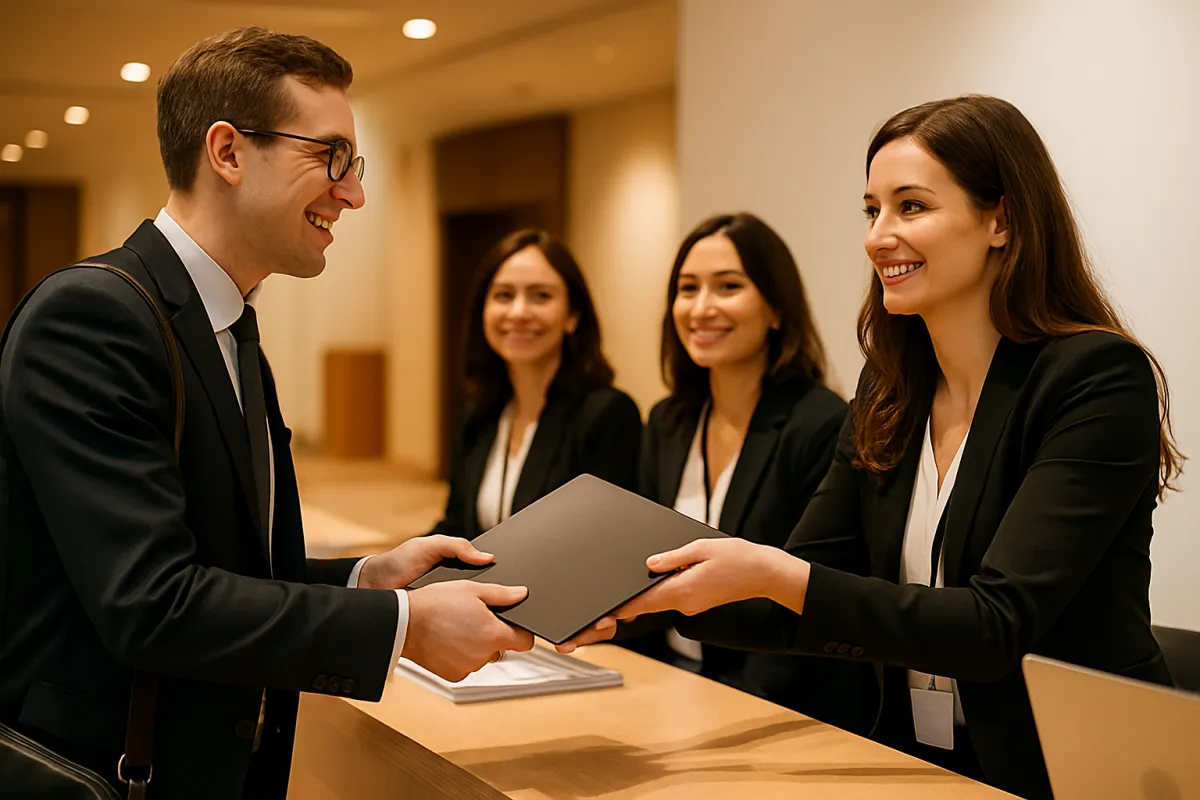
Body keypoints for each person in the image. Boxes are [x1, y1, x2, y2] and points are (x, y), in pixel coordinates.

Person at [561, 95, 1182, 800]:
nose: (879, 236)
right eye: (871, 210)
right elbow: (805, 596)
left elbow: (994, 626)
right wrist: (630, 598)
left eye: (911, 207)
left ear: (1000, 220)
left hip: (1073, 773)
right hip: (917, 764)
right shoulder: (888, 393)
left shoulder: (1093, 377)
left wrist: (773, 572)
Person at [0, 28, 533, 799]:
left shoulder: (229, 325)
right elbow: (154, 603)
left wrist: (366, 579)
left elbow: (221, 564)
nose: (352, 193)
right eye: (332, 159)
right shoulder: (91, 316)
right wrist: (404, 626)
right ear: (227, 153)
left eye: (355, 166)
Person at [623, 212, 875, 733]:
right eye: (687, 288)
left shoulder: (820, 420)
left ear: (777, 308)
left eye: (729, 287)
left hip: (774, 706)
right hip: (665, 686)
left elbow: (809, 598)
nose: (701, 308)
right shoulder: (668, 420)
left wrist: (726, 714)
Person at [428, 229, 641, 540]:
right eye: (503, 295)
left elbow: (609, 543)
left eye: (540, 296)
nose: (518, 312)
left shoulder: (605, 415)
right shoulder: (479, 414)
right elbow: (458, 527)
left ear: (573, 316)